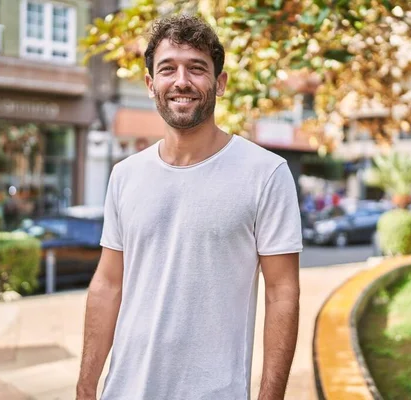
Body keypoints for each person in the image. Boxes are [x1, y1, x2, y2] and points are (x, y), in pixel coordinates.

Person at [77, 15, 303, 400]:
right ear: (151, 85)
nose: (181, 81)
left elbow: (282, 292)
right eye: (168, 69)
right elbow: (107, 285)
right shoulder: (125, 175)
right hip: (124, 390)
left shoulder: (266, 173)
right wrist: (85, 387)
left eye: (197, 68)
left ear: (220, 83)